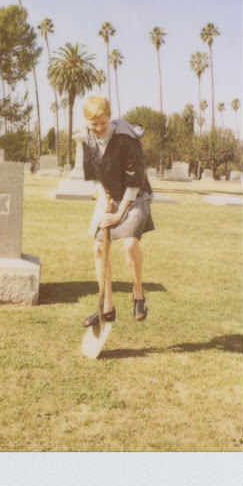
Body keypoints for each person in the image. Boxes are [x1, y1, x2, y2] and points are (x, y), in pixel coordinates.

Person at [81, 96, 154, 326]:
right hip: (109, 196)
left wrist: (118, 214)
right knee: (99, 248)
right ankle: (106, 307)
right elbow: (93, 176)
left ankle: (138, 293)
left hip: (135, 196)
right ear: (87, 121)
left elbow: (134, 182)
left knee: (130, 244)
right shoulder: (87, 140)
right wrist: (104, 198)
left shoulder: (126, 139)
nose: (99, 128)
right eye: (94, 124)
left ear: (109, 117)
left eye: (103, 123)